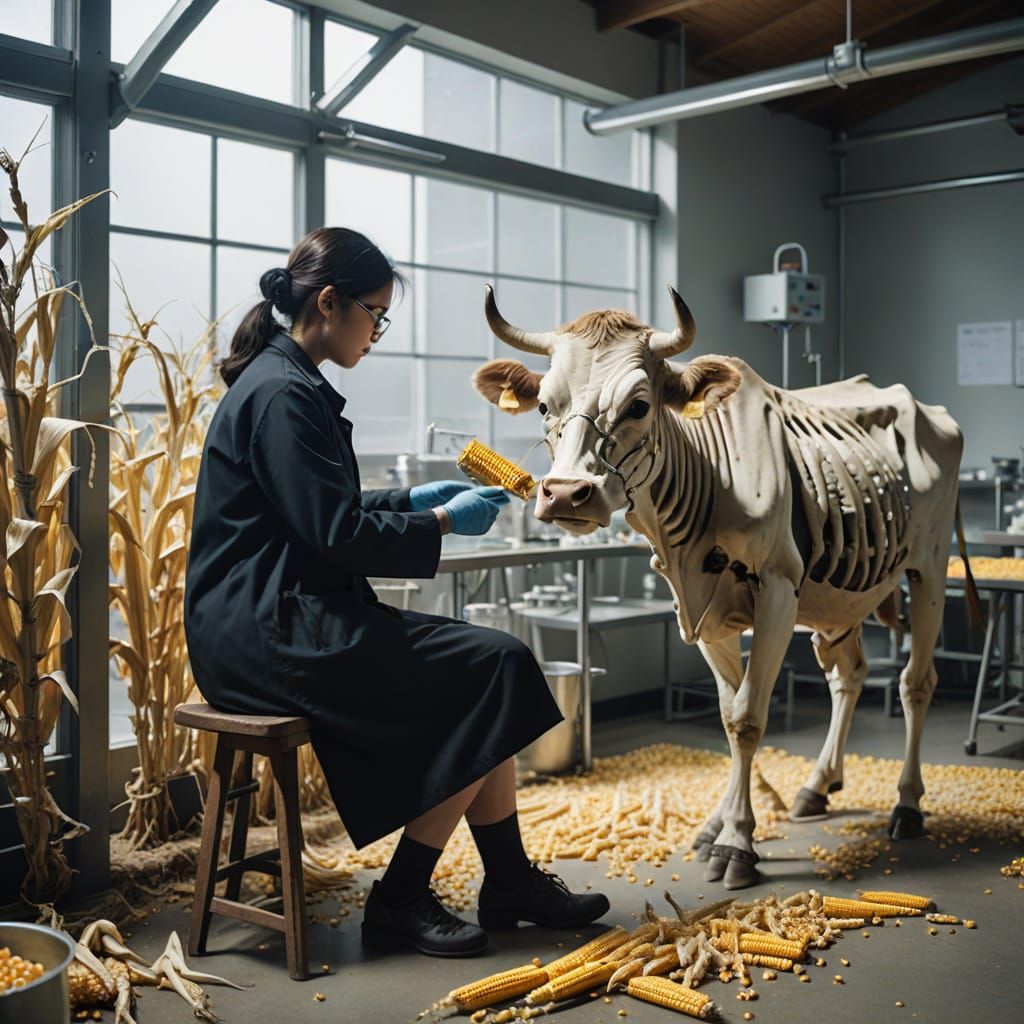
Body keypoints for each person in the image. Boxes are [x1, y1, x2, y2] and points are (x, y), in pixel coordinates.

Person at [184, 227, 610, 957]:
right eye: (374, 315)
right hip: (268, 633)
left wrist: (412, 497)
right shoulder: (283, 393)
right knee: (498, 666)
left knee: (490, 673)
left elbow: (319, 508)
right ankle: (405, 893)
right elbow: (337, 532)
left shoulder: (287, 382)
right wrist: (442, 519)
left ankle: (505, 879)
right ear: (328, 302)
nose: (377, 333)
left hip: (277, 615)